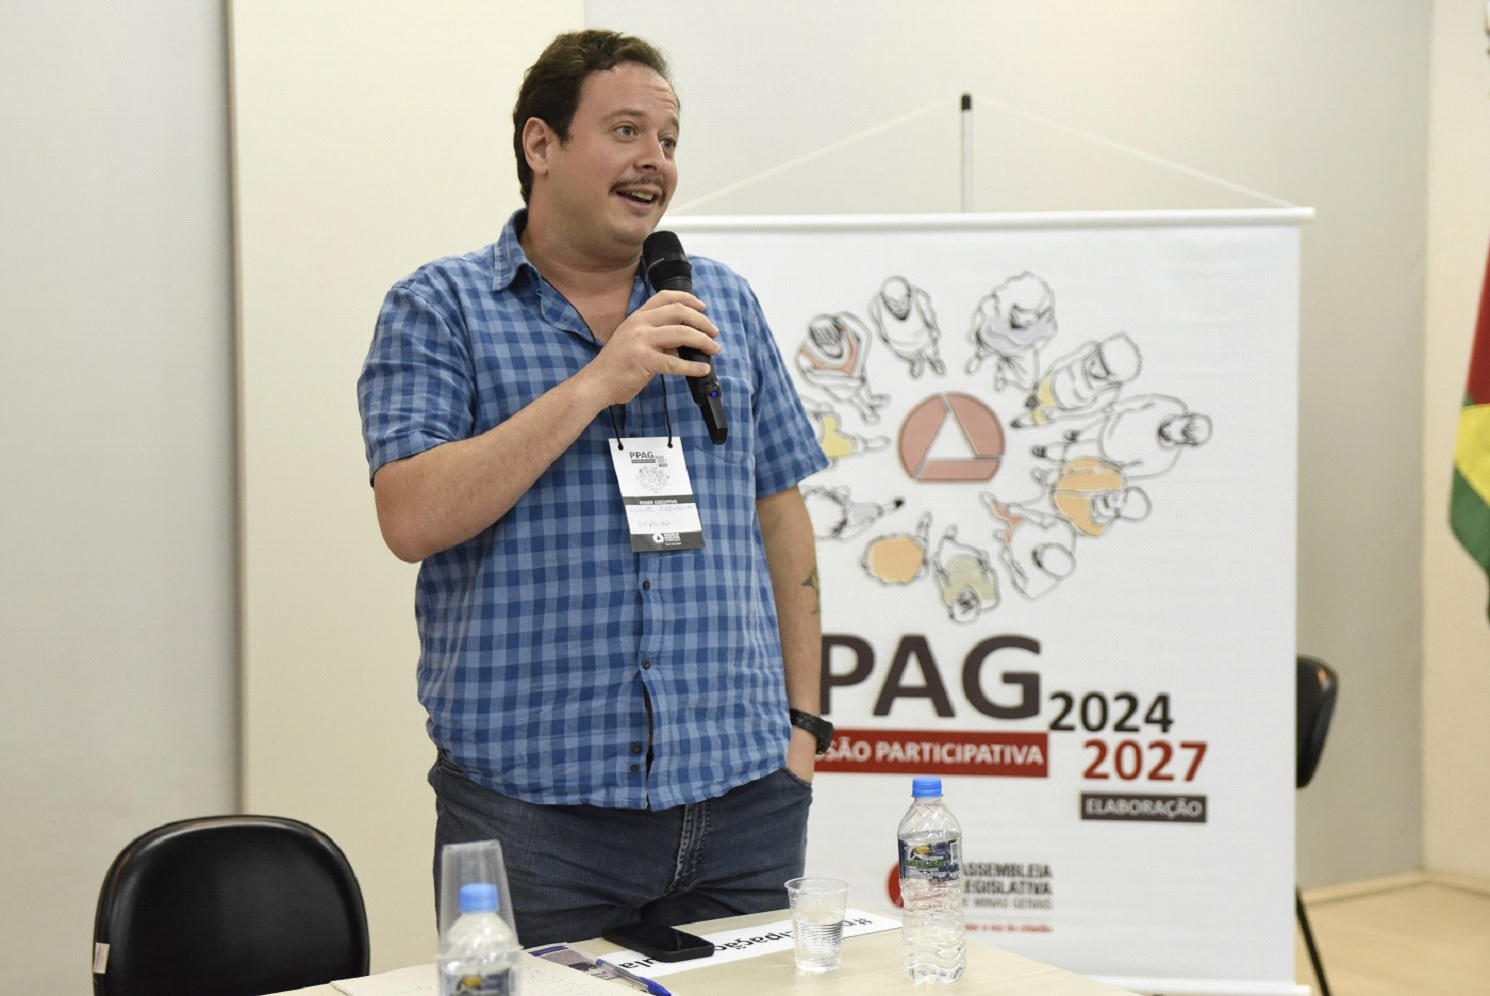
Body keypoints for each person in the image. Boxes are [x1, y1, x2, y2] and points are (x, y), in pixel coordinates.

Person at [356, 29, 830, 947]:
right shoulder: (439, 307)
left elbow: (781, 510)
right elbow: (410, 516)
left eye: (669, 140)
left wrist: (803, 730)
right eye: (626, 131)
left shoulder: (721, 304)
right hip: (532, 818)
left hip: (744, 804)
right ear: (541, 144)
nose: (656, 161)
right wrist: (596, 383)